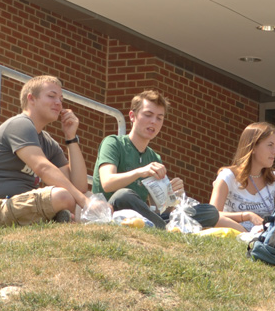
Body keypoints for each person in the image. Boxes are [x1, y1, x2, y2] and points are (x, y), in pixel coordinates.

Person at [0, 75, 97, 229]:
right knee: (64, 197)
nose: (58, 103)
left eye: (61, 99)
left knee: (89, 197)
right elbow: (42, 168)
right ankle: (56, 219)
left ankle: (58, 219)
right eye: (52, 96)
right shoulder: (20, 124)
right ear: (31, 99)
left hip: (19, 207)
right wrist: (84, 202)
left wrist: (71, 138)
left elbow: (78, 186)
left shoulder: (47, 142)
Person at [91, 89, 220, 229]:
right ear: (132, 116)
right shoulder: (113, 143)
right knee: (124, 195)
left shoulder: (154, 157)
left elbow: (160, 208)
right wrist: (140, 172)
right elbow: (107, 183)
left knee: (211, 212)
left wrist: (174, 195)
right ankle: (164, 228)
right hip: (112, 209)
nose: (153, 121)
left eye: (159, 118)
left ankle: (160, 226)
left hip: (143, 216)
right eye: (148, 115)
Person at [210, 122, 275, 231]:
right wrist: (247, 216)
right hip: (236, 234)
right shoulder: (227, 176)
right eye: (270, 145)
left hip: (264, 238)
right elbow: (211, 216)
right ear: (253, 147)